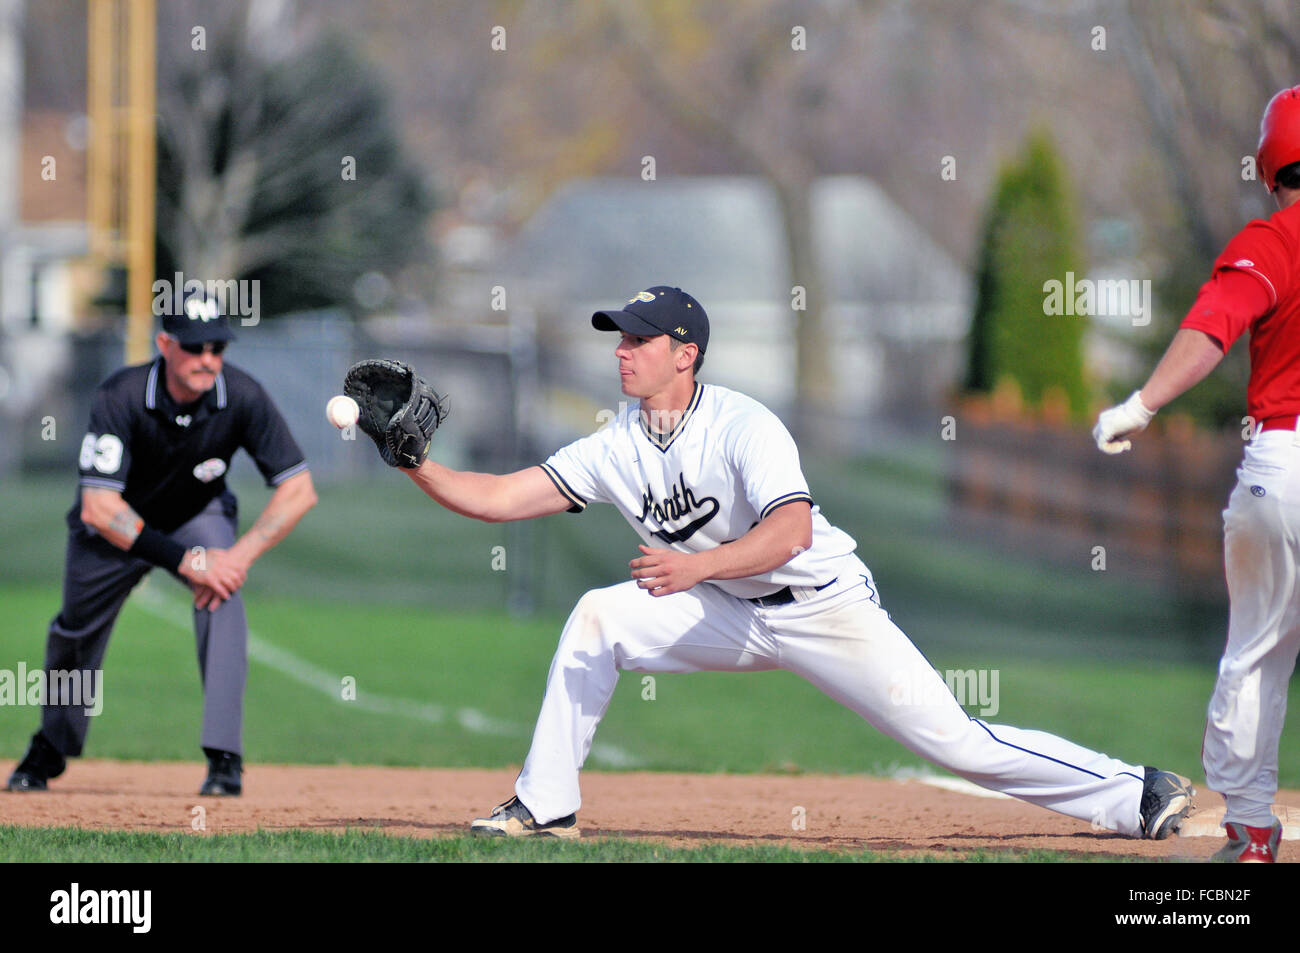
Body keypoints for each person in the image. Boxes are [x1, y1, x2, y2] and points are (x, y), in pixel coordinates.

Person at [364, 284, 1192, 844]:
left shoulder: (742, 424)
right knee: (597, 616)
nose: (623, 349)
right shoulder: (615, 443)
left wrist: (696, 567)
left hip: (822, 603)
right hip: (727, 607)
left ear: (684, 353)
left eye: (640, 338)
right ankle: (545, 808)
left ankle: (1137, 793)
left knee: (955, 740)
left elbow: (791, 531)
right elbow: (502, 497)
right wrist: (416, 464)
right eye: (619, 336)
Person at [1093, 85, 1300, 863]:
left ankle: (1249, 831)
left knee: (1257, 649)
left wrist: (1142, 404)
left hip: (1284, 467)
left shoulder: (1274, 242)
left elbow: (1213, 327)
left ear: (1267, 163)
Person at [5, 292, 317, 797]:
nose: (208, 359)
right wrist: (189, 561)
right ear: (165, 344)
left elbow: (299, 490)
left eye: (217, 347)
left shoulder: (242, 395)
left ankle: (224, 758)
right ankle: (52, 745)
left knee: (223, 597)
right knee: (75, 629)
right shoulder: (121, 395)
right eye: (195, 347)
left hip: (197, 515)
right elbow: (98, 508)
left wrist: (232, 561)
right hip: (117, 525)